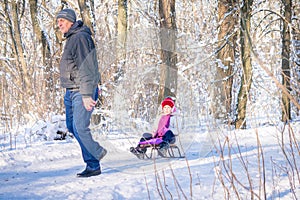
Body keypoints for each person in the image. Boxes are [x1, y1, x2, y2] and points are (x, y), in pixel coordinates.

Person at [56, 8, 107, 177]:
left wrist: (86, 95)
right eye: (57, 22)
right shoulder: (72, 38)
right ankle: (94, 157)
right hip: (71, 90)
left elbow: (87, 67)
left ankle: (94, 160)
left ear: (70, 21)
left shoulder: (80, 38)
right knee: (73, 127)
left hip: (81, 91)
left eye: (61, 21)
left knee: (80, 127)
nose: (59, 24)